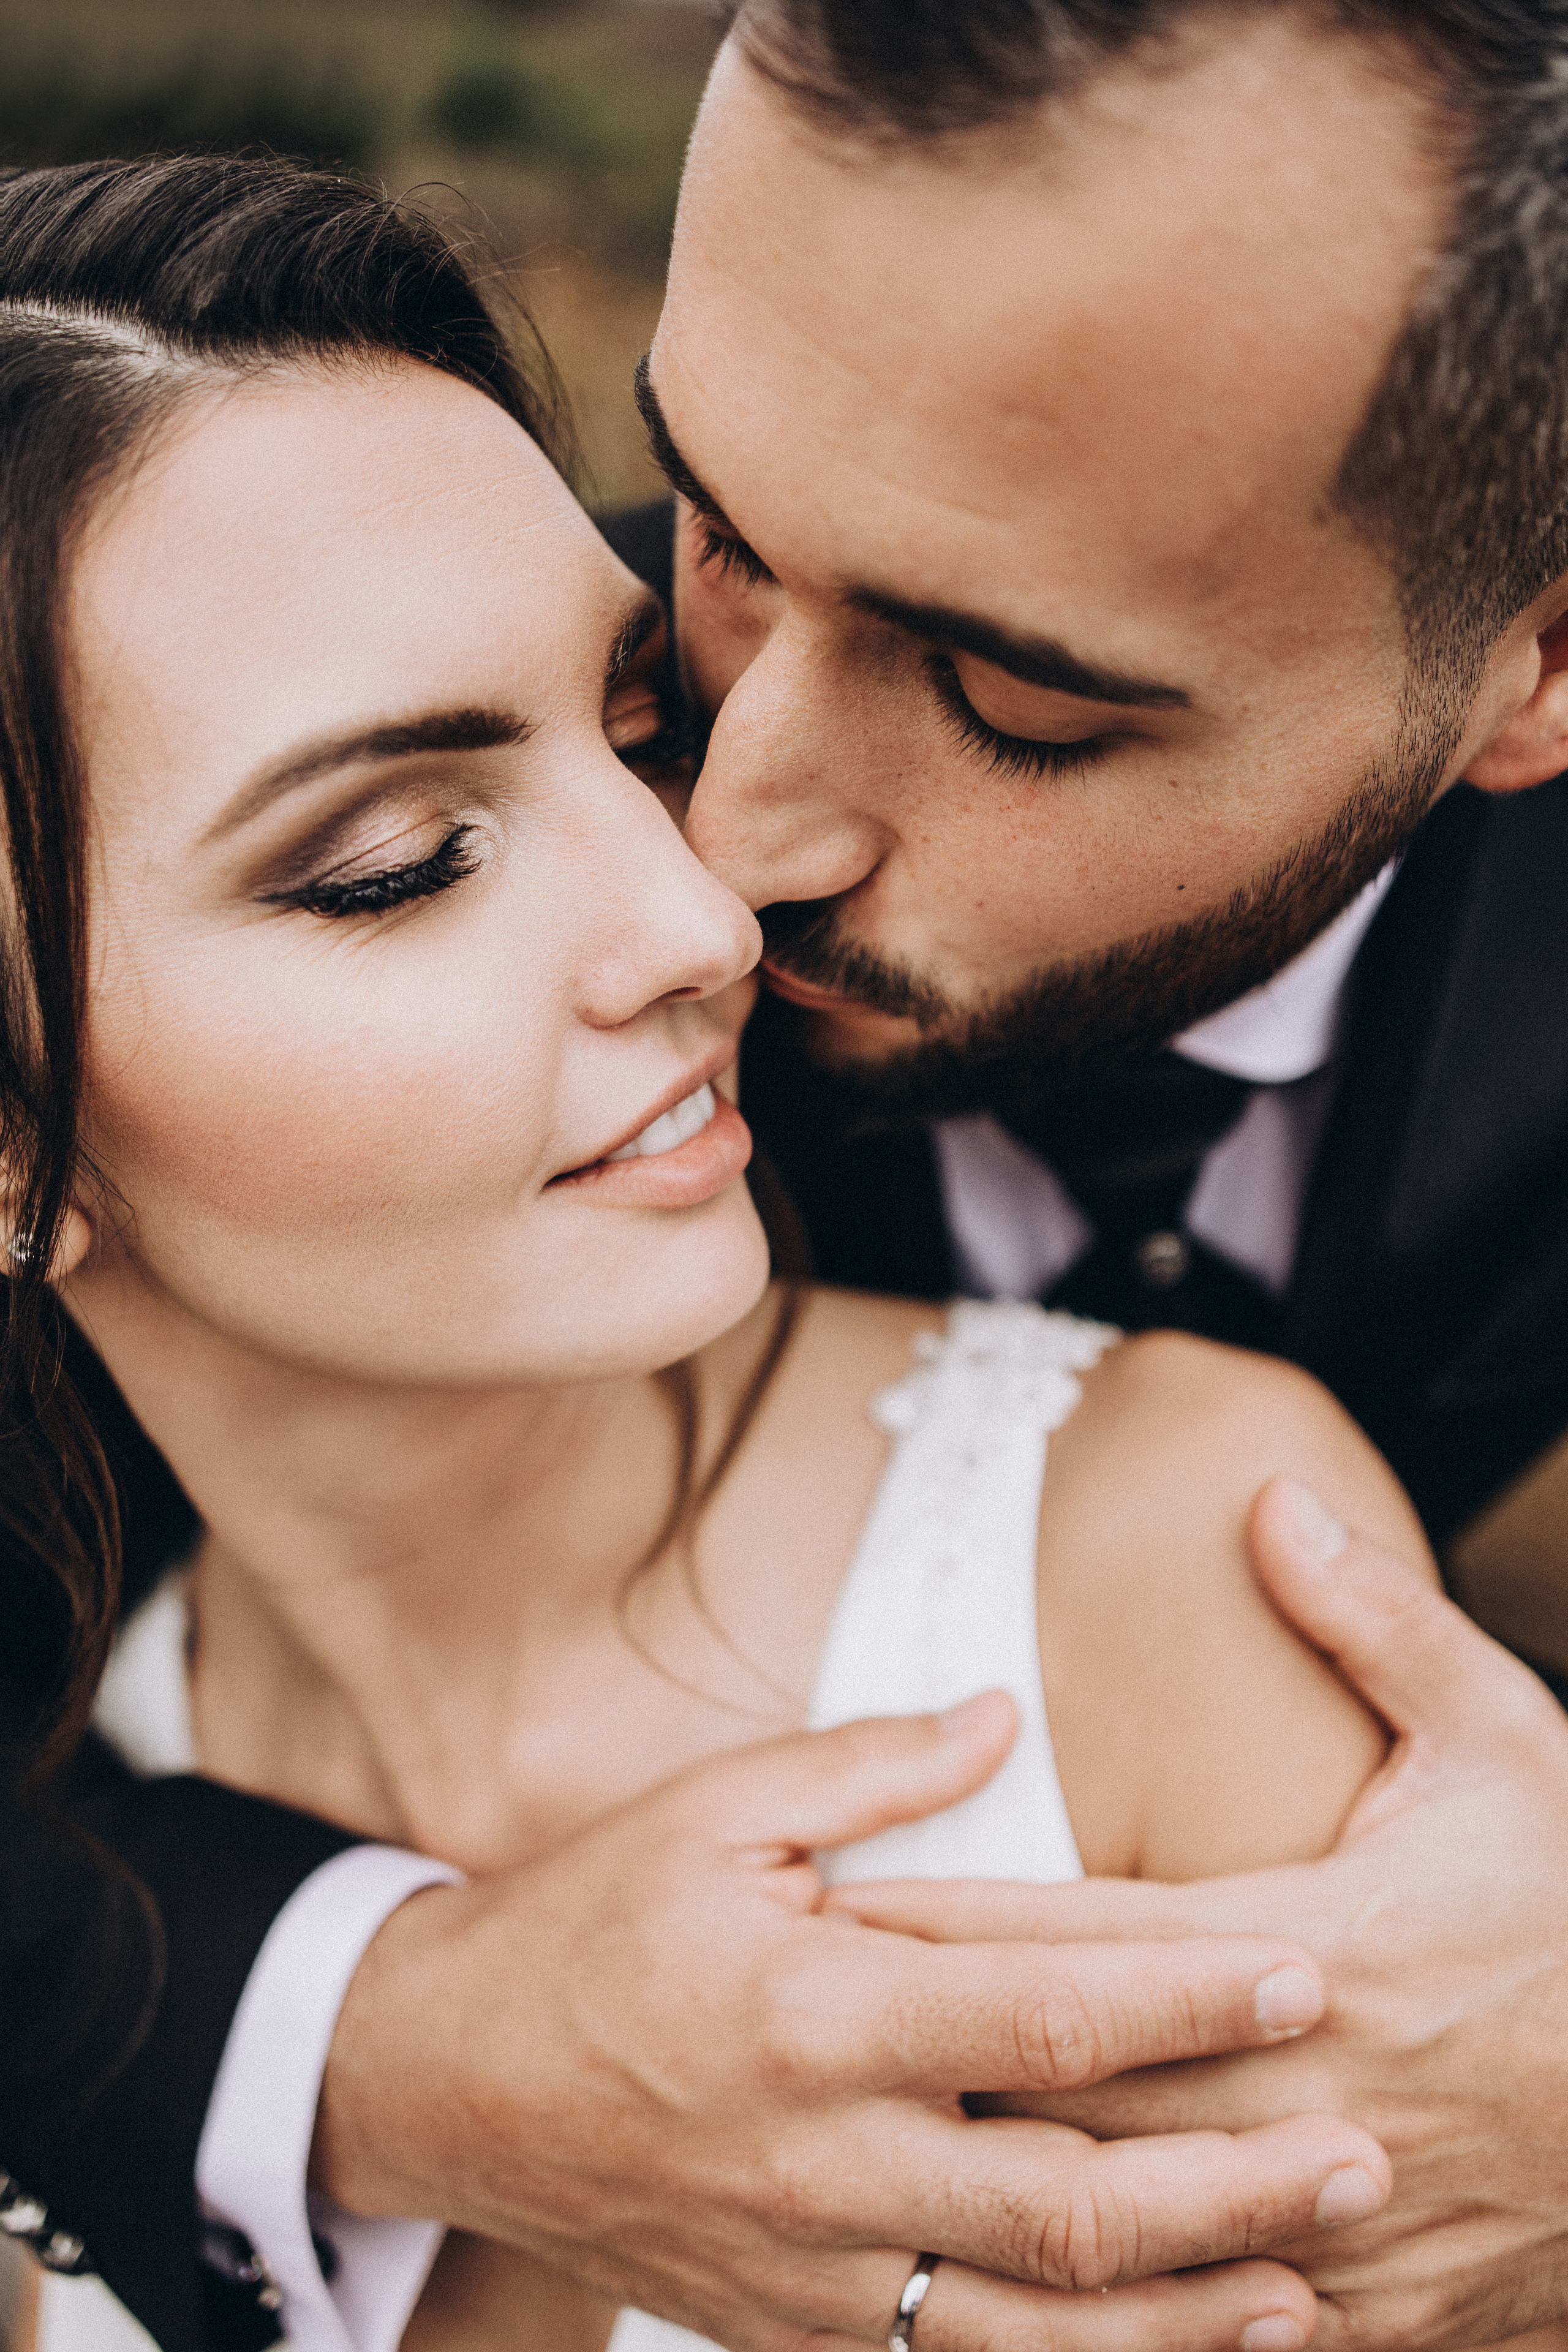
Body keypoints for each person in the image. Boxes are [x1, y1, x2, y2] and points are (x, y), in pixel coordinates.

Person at [0, 157, 1396, 2352]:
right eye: (398, 863)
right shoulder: (92, 1813)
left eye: (640, 731)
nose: (701, 915)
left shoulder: (1170, 1565)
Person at [595, 1, 1568, 2346]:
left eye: (1015, 701)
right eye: (720, 534)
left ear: (1535, 663)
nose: (726, 838)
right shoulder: (411, 806)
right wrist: (386, 2039)